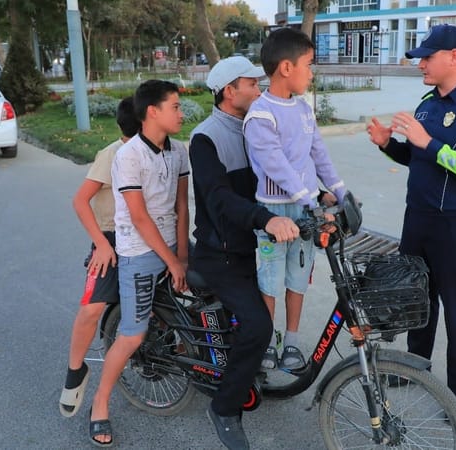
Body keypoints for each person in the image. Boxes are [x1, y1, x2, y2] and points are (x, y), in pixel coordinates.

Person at [366, 24, 456, 418]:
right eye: (420, 58)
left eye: (427, 57)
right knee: (416, 299)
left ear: (454, 58)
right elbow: (416, 158)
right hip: (418, 218)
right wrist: (388, 145)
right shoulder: (427, 103)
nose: (421, 64)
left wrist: (431, 143)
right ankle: (415, 367)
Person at [189, 56, 300, 450]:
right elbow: (218, 200)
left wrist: (319, 195)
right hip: (219, 254)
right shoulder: (206, 138)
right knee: (258, 326)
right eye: (251, 83)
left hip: (250, 248)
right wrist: (265, 219)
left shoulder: (256, 126)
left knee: (257, 322)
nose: (260, 88)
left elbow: (286, 170)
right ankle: (224, 408)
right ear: (228, 91)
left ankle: (244, 371)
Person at [89, 80, 190, 447]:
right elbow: (139, 217)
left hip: (172, 248)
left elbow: (182, 206)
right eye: (175, 107)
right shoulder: (128, 156)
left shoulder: (178, 151)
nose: (182, 113)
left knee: (193, 307)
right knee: (132, 333)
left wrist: (182, 254)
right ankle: (99, 403)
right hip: (139, 252)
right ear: (153, 112)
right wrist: (171, 261)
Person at [243, 27, 347, 372]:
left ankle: (292, 341)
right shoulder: (260, 114)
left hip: (305, 209)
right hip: (275, 212)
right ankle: (268, 340)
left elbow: (319, 154)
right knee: (270, 280)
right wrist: (310, 199)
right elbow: (276, 166)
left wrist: (342, 191)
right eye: (308, 64)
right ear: (286, 68)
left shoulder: (303, 110)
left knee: (298, 277)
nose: (311, 72)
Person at [58, 97, 139, 420]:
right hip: (110, 239)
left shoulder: (162, 151)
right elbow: (80, 201)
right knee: (91, 308)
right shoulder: (112, 154)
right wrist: (101, 246)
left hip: (148, 240)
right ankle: (75, 371)